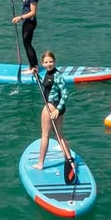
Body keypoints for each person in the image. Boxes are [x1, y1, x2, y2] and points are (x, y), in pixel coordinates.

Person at [33, 51, 77, 182]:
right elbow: (47, 87)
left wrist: (57, 109)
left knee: (45, 135)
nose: (48, 64)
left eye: (50, 61)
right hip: (57, 107)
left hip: (52, 107)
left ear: (55, 61)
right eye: (46, 62)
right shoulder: (48, 74)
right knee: (60, 135)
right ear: (42, 63)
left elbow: (65, 94)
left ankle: (40, 163)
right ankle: (70, 160)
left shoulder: (57, 75)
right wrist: (37, 75)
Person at [8, 0, 39, 74]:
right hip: (26, 22)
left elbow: (33, 12)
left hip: (30, 22)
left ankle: (34, 67)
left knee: (27, 44)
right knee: (26, 44)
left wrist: (20, 17)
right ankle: (31, 66)